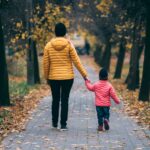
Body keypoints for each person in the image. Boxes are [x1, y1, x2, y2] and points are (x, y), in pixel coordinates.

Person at [43, 23, 88, 131]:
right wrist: (84, 75)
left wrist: (47, 78)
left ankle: (54, 123)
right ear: (64, 33)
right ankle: (63, 124)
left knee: (55, 100)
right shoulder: (69, 45)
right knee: (65, 100)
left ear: (55, 32)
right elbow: (77, 61)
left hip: (53, 77)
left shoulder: (48, 45)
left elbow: (46, 64)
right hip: (68, 77)